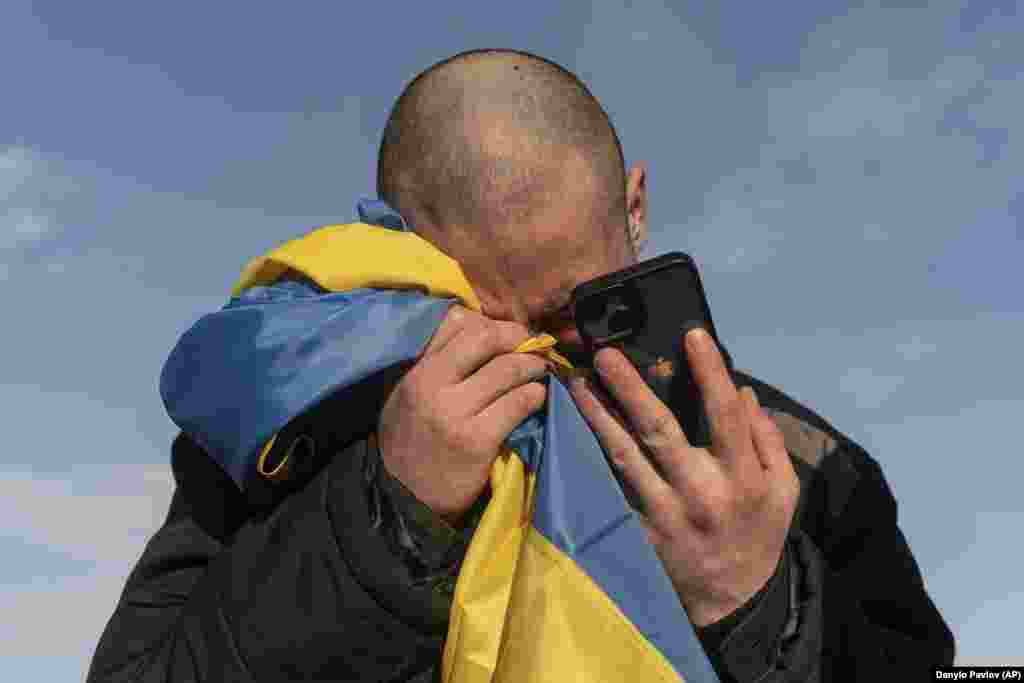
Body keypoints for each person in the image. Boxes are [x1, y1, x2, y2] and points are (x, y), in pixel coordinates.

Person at [87, 48, 954, 682]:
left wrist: (763, 610)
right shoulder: (299, 427)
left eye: (576, 316)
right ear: (402, 258)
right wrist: (381, 524)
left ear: (635, 208)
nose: (539, 365)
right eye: (472, 322)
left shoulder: (809, 469)